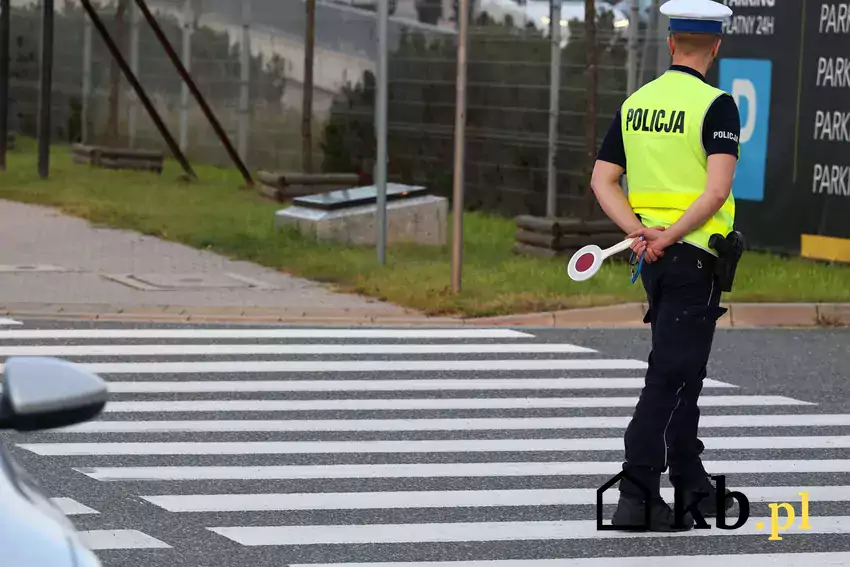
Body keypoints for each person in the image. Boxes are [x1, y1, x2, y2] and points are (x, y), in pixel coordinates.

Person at [590, 0, 741, 532]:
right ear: (716, 46)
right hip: (693, 257)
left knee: (684, 374)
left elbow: (602, 180)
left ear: (671, 42)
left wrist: (639, 233)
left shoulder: (636, 103)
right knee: (670, 377)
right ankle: (637, 494)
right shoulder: (716, 105)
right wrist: (671, 235)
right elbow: (716, 189)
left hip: (651, 260)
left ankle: (693, 486)